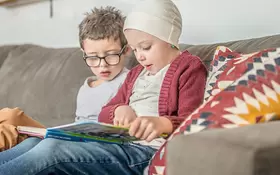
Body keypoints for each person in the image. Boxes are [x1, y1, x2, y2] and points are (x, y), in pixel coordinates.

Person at [0, 1, 207, 174]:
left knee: (51, 149)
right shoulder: (137, 74)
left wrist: (164, 124)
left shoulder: (189, 68)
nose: (140, 56)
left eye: (145, 47)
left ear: (170, 37)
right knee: (32, 143)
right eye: (135, 49)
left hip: (145, 153)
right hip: (118, 145)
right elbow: (105, 113)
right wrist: (118, 109)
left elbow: (196, 122)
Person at [0, 6, 129, 167]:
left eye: (110, 55)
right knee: (30, 143)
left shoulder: (130, 81)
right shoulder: (86, 87)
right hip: (76, 142)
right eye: (93, 58)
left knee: (45, 145)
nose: (102, 65)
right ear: (84, 53)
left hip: (100, 149)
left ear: (127, 50)